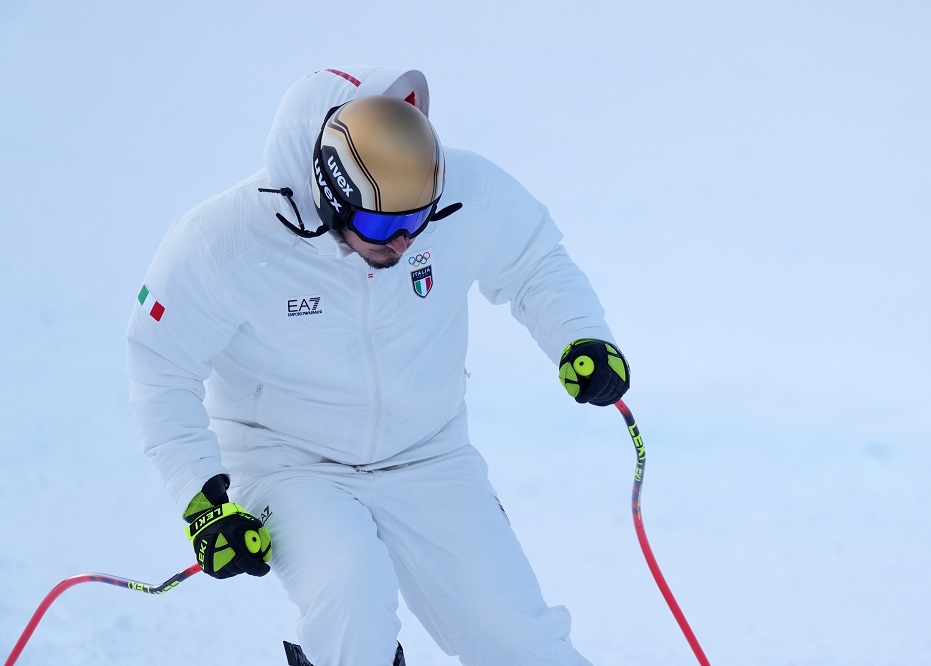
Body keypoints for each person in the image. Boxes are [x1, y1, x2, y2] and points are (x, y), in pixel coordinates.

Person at [127, 66, 630, 666]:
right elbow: (161, 364)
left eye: (417, 220)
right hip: (290, 464)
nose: (400, 243)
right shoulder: (224, 239)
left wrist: (582, 337)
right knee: (352, 599)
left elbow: (534, 260)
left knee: (515, 636)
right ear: (330, 189)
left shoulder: (467, 189)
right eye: (380, 223)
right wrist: (203, 499)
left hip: (429, 454)